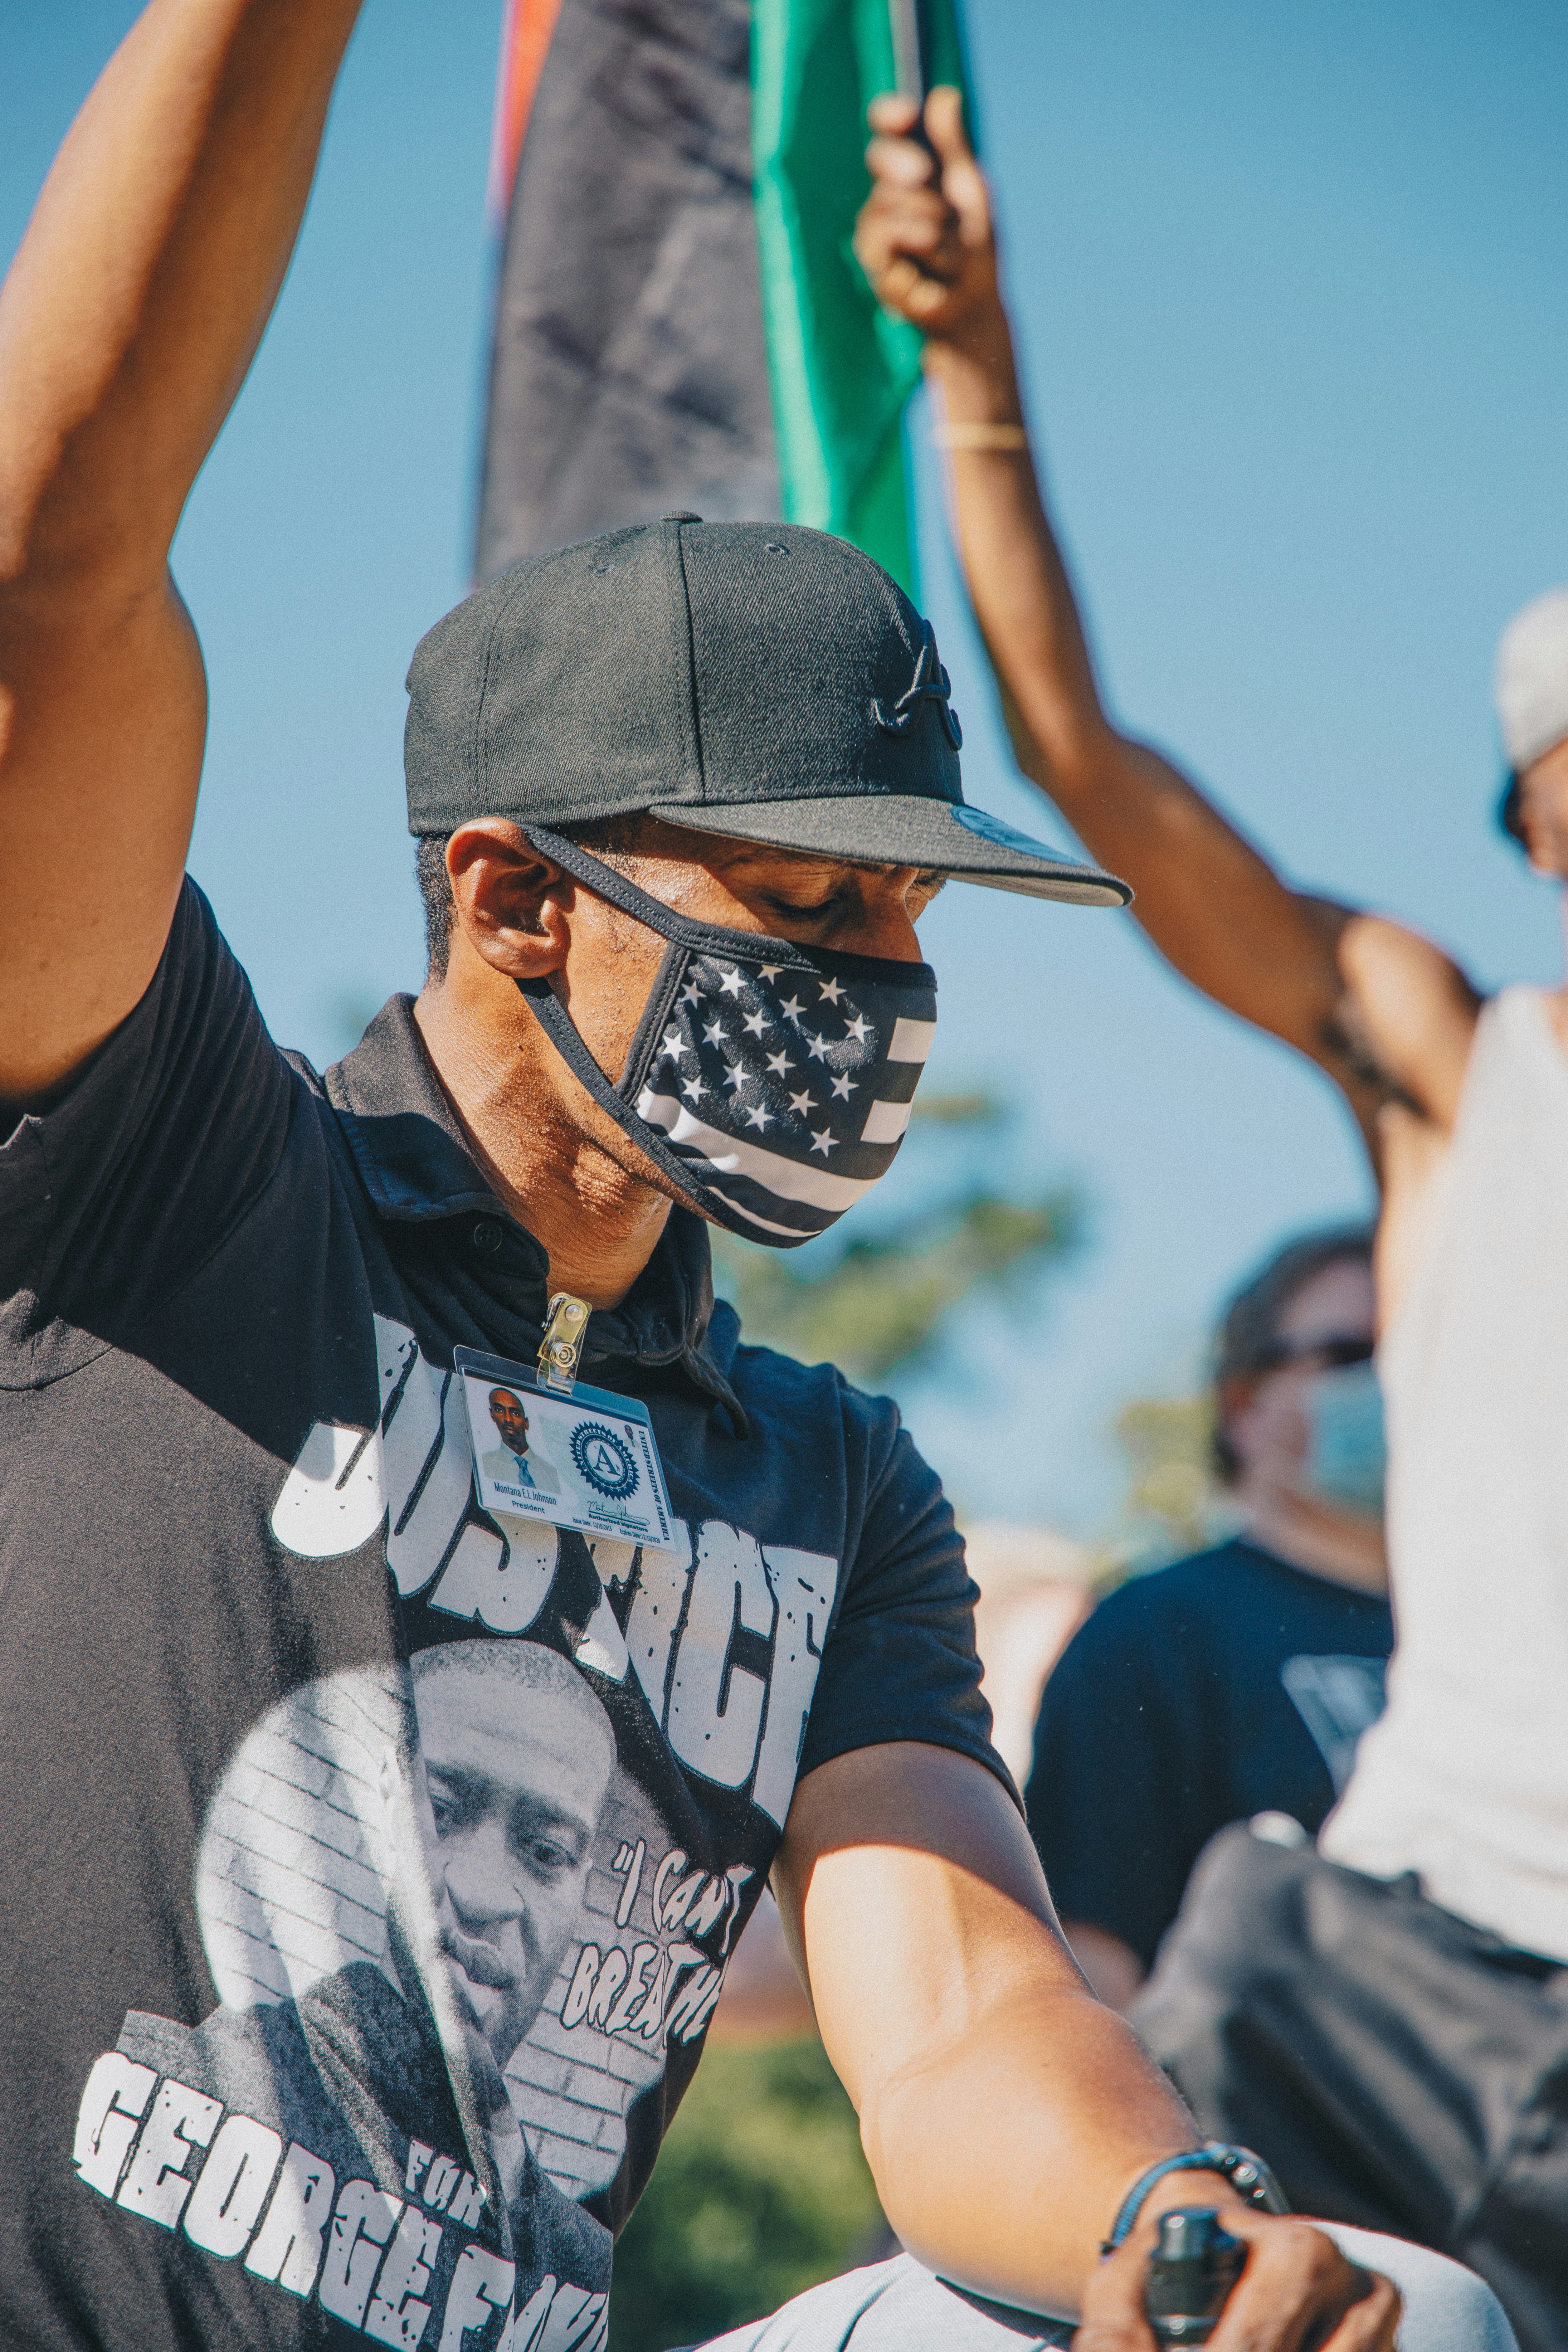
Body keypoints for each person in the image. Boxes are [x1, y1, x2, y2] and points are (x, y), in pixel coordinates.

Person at [0, 10, 1502, 2349]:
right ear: (513, 899)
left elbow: (964, 2009)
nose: (891, 991)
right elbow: (52, 565)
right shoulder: (170, 1178)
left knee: (1400, 2307)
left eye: (915, 920)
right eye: (813, 911)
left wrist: (1161, 2230)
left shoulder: (831, 1478)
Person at [856, 82, 1568, 2348]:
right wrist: (975, 374)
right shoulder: (1460, 1062)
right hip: (1399, 1974)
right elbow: (1086, 754)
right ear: (1537, 820)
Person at [1026, 1226, 1393, 2011]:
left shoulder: (1507, 1653)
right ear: (1243, 1404)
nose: (1390, 1383)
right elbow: (1093, 1981)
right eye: (1350, 1354)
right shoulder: (1151, 1634)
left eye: (1412, 1351)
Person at [481, 1387, 564, 1493]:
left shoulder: (552, 1473)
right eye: (499, 1410)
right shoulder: (485, 1465)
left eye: (515, 1414)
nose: (508, 1419)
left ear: (526, 1423)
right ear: (492, 1415)